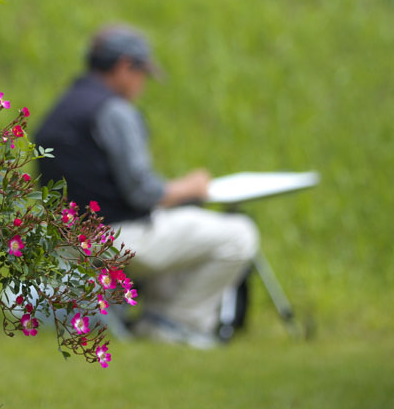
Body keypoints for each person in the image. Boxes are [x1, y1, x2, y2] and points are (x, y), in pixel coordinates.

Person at [35, 24, 259, 348]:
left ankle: (157, 318)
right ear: (125, 66)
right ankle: (175, 323)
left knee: (177, 228)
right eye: (143, 74)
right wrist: (192, 187)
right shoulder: (114, 111)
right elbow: (142, 192)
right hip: (117, 239)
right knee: (240, 234)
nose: (143, 84)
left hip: (68, 243)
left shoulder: (61, 109)